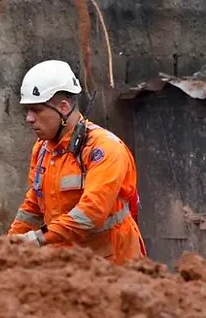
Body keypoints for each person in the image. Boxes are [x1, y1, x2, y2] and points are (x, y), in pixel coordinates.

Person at [8, 60, 145, 265]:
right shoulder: (43, 149)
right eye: (27, 111)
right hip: (70, 263)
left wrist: (37, 239)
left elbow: (91, 214)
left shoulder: (104, 149)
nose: (29, 118)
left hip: (113, 264)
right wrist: (7, 244)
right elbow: (33, 206)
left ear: (63, 108)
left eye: (36, 110)